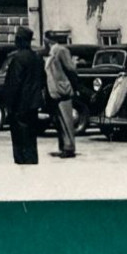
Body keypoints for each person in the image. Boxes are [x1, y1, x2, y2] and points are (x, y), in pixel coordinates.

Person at [3, 26, 45, 166]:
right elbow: (42, 80)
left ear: (20, 41)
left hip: (19, 106)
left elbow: (14, 84)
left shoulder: (18, 58)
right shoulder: (37, 58)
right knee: (31, 138)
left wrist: (9, 105)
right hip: (33, 105)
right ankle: (32, 163)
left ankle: (22, 167)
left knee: (19, 139)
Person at [45, 30, 79, 158]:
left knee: (66, 119)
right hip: (54, 91)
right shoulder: (51, 53)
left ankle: (69, 147)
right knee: (59, 120)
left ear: (48, 40)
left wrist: (73, 86)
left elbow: (71, 69)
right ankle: (63, 146)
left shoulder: (61, 50)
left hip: (63, 89)